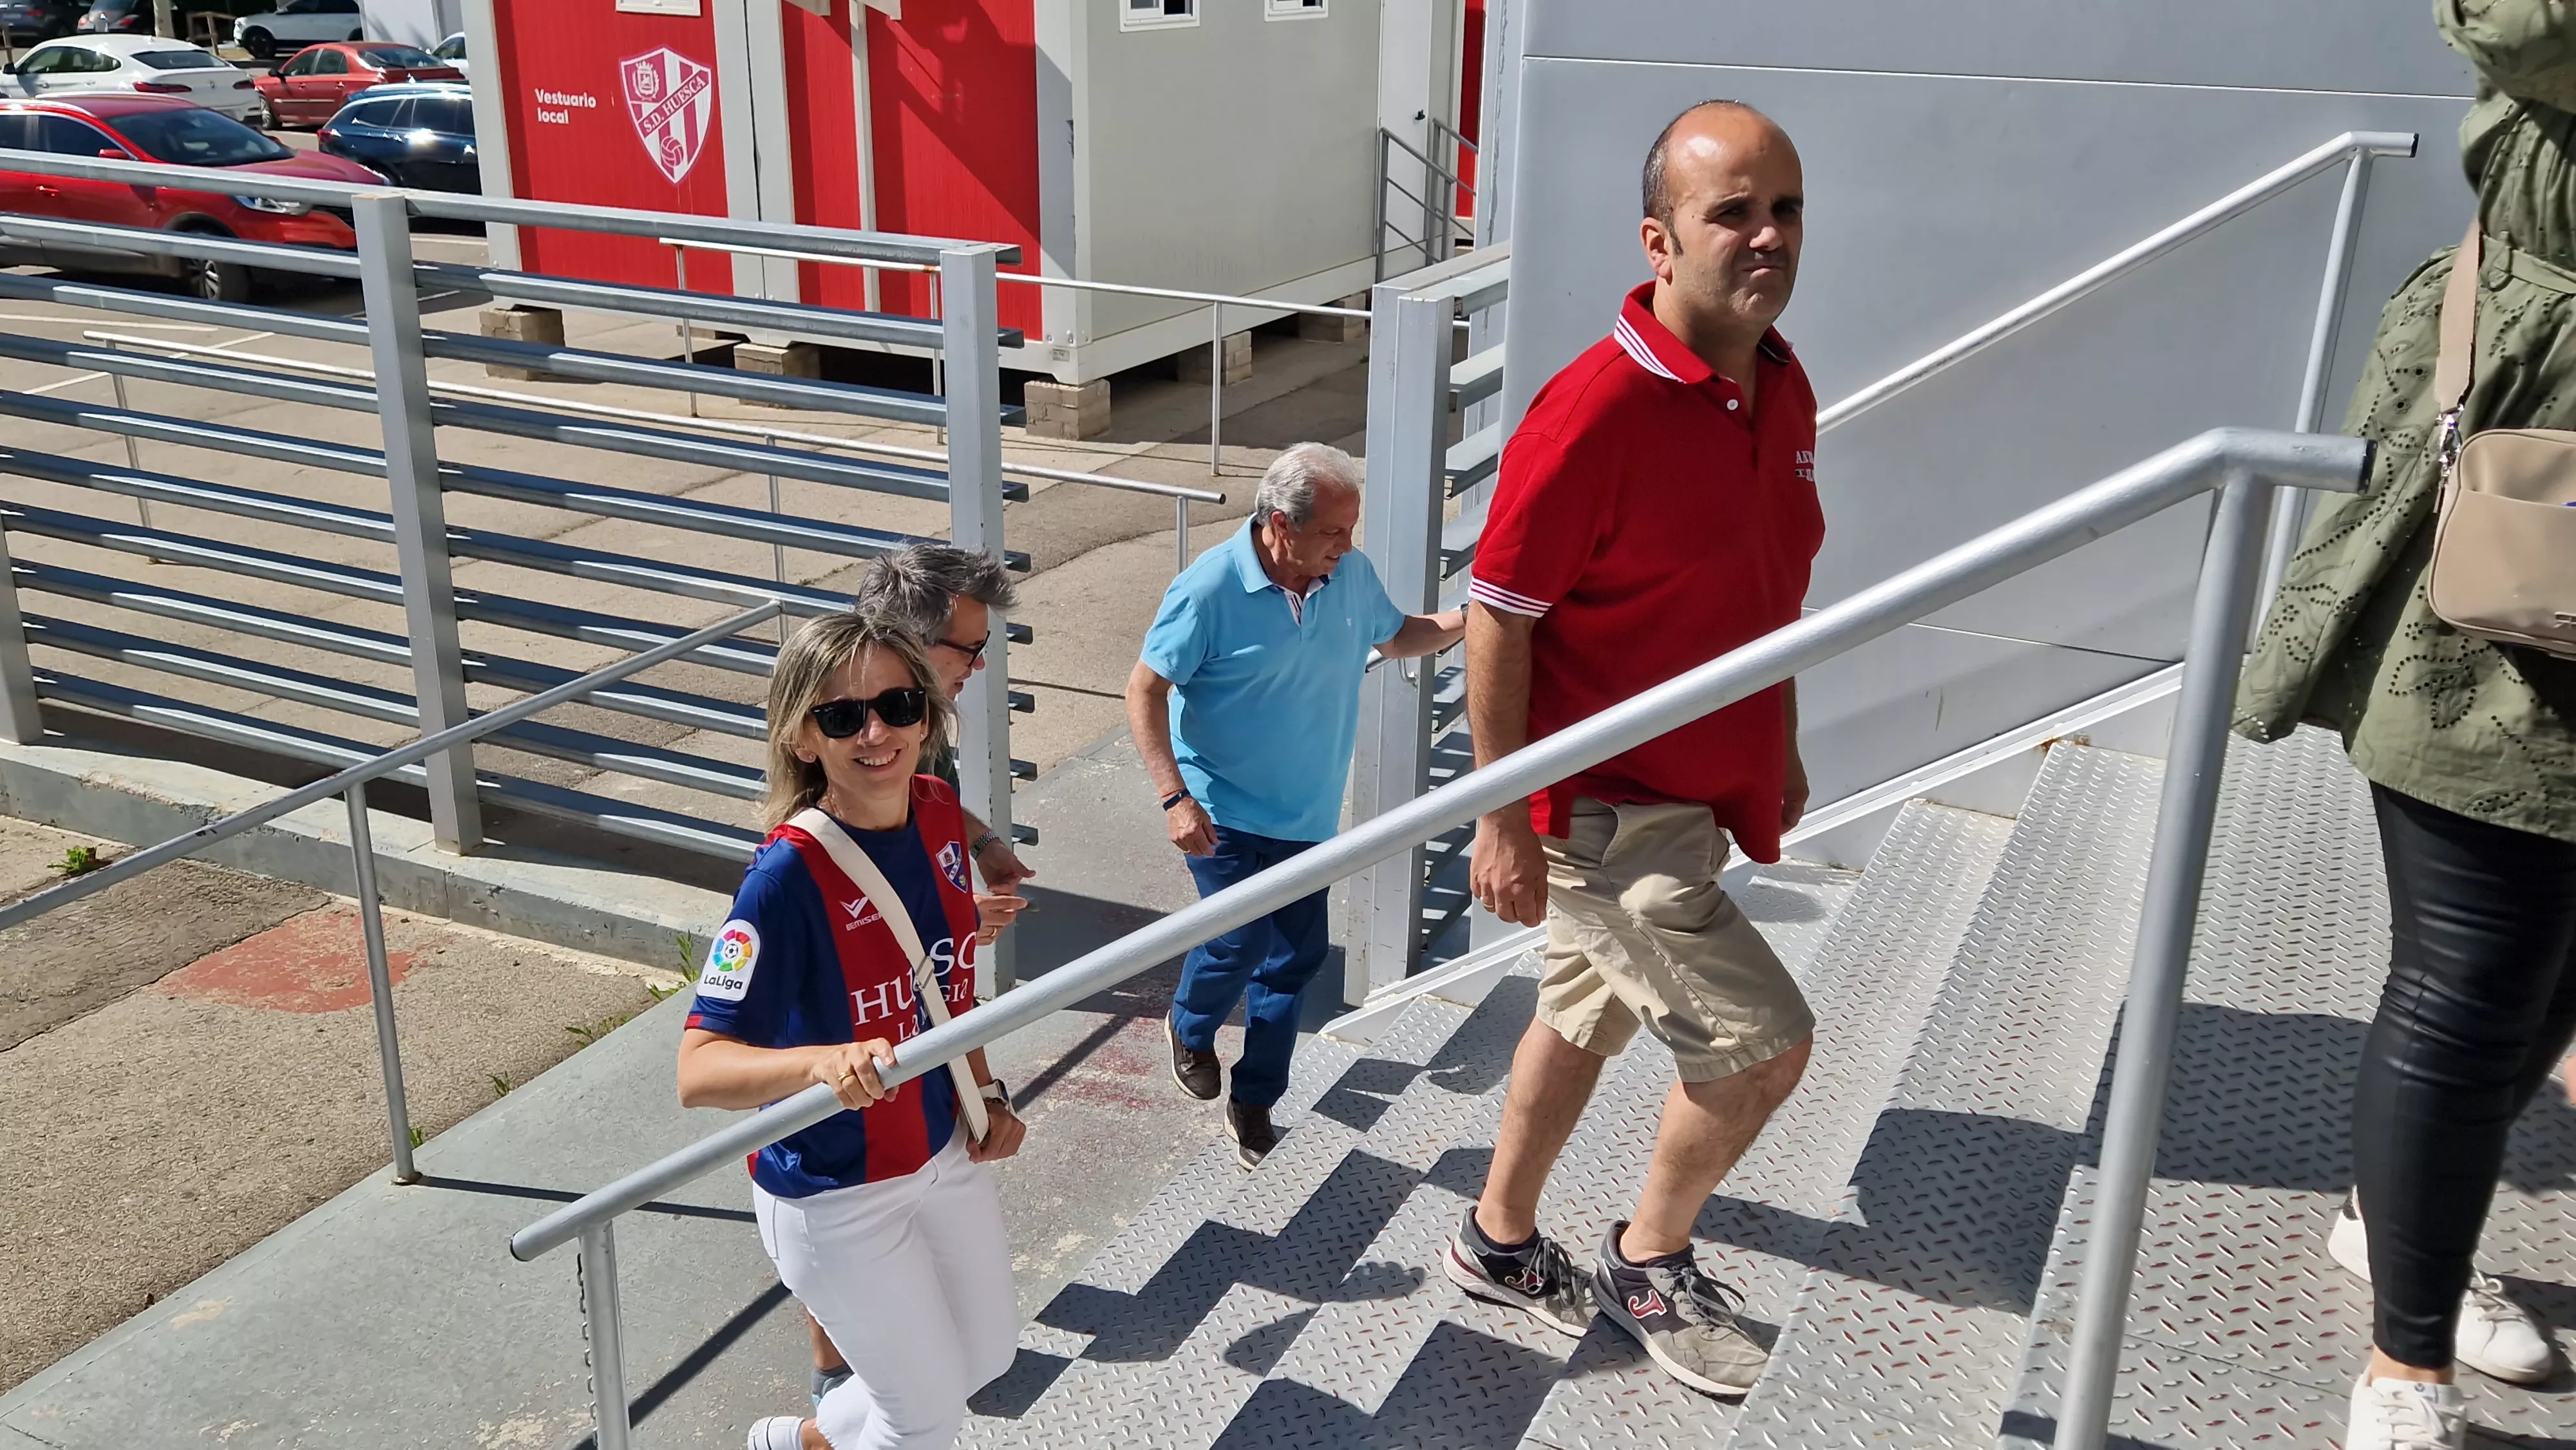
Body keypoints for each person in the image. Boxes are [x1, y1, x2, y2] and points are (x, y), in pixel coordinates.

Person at [1446, 100, 1824, 1398]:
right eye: (1733, 213)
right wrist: (1500, 815)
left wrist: (1778, 738)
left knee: (1577, 1016)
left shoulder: (1778, 382)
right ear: (1658, 241)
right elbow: (1498, 614)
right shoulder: (1595, 410)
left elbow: (1766, 587)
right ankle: (1648, 1261)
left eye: (1784, 209)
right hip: (1606, 813)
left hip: (1692, 793)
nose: (1766, 236)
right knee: (1762, 1048)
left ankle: (1495, 1240)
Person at [2237, 4, 2576, 1445]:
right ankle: (2405, 1368)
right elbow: (2516, 24)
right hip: (2538, 481)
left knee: (2553, 965)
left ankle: (2392, 1213)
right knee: (2474, 964)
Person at [677, 611, 1030, 1450]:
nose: (877, 733)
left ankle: (804, 1441)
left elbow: (949, 990)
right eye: (842, 716)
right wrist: (822, 1063)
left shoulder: (938, 812)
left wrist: (986, 1092)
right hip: (833, 1190)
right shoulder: (782, 880)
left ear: (926, 714)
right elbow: (697, 1070)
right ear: (802, 738)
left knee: (985, 1358)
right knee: (924, 1421)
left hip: (942, 1146)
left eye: (899, 705)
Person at [1125, 442, 1463, 1167]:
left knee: (1297, 956)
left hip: (1305, 813)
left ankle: (1255, 1100)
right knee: (1240, 940)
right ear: (1281, 523)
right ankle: (1190, 1025)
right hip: (1218, 805)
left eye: (1350, 528)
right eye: (1333, 531)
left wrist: (1472, 618)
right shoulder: (1207, 589)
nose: (1347, 544)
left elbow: (1398, 634)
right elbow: (1143, 691)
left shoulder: (1349, 575)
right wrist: (1174, 797)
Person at [851, 543, 1035, 894]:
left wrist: (981, 842)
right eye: (971, 649)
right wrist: (955, 913)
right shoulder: (857, 732)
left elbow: (920, 797)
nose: (979, 664)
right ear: (912, 641)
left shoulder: (911, 706)